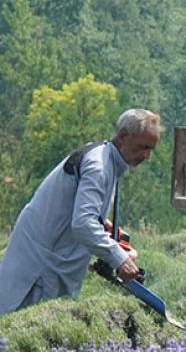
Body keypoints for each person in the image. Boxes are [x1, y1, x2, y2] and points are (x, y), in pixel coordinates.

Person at [0, 109, 161, 314]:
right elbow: (83, 223)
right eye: (143, 147)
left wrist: (103, 223)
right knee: (18, 323)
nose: (147, 156)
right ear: (123, 137)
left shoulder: (105, 157)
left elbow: (80, 208)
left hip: (49, 252)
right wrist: (119, 258)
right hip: (40, 261)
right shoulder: (99, 167)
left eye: (151, 149)